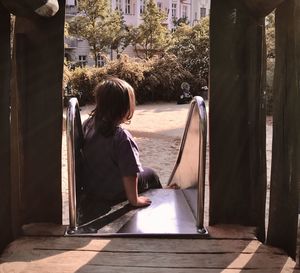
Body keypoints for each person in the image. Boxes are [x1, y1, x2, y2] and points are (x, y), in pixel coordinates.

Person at [81, 77, 162, 214]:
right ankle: (162, 200)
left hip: (94, 187)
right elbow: (130, 173)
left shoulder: (88, 124)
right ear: (124, 108)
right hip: (115, 191)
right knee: (151, 174)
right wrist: (134, 199)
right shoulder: (122, 137)